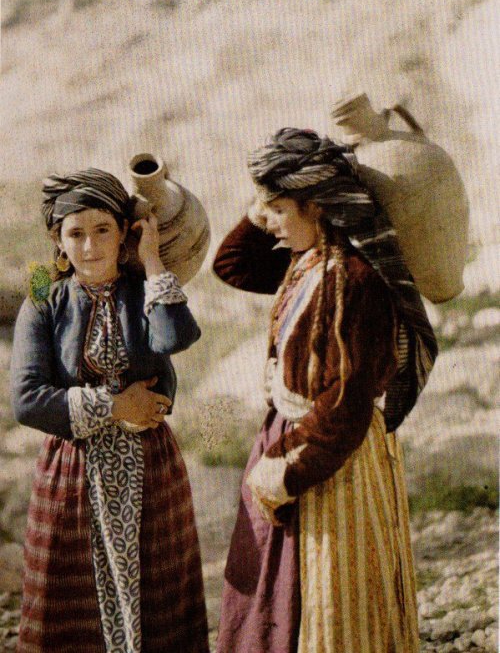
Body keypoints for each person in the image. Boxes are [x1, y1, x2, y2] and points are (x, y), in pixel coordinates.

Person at [213, 128, 438, 653]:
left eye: (278, 209)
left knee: (334, 603)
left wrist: (287, 469)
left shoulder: (354, 279)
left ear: (317, 206)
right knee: (278, 592)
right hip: (298, 438)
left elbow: (346, 402)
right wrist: (265, 199)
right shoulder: (306, 258)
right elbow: (233, 264)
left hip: (334, 457)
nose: (267, 220)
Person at [10, 168, 209, 652]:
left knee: (159, 598)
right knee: (73, 602)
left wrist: (153, 262)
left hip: (151, 467)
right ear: (58, 241)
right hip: (73, 473)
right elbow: (27, 398)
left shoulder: (143, 291)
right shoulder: (44, 300)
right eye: (75, 233)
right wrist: (115, 403)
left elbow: (173, 338)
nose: (90, 246)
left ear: (124, 233)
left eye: (103, 229)